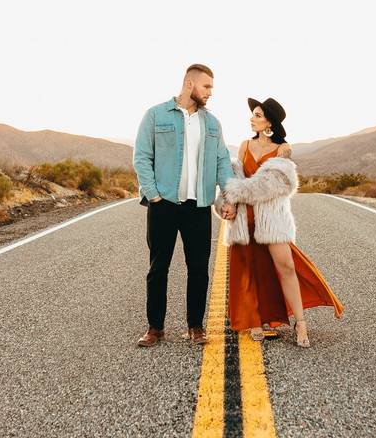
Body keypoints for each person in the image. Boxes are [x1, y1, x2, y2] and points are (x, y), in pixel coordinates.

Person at [217, 97, 343, 348]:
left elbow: (271, 187)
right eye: (253, 114)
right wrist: (225, 203)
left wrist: (237, 191)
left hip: (272, 218)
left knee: (285, 266)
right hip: (245, 217)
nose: (252, 118)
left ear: (269, 123)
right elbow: (235, 177)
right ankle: (255, 321)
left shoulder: (283, 149)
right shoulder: (244, 146)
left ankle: (301, 321)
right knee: (249, 269)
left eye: (257, 115)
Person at [133, 64, 237, 347]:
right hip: (163, 204)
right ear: (189, 84)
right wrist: (153, 194)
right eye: (207, 87)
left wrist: (229, 197)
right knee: (158, 267)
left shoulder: (212, 123)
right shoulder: (155, 115)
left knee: (199, 268)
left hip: (198, 206)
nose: (210, 93)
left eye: (212, 88)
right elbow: (142, 156)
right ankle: (155, 328)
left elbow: (222, 162)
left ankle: (196, 326)